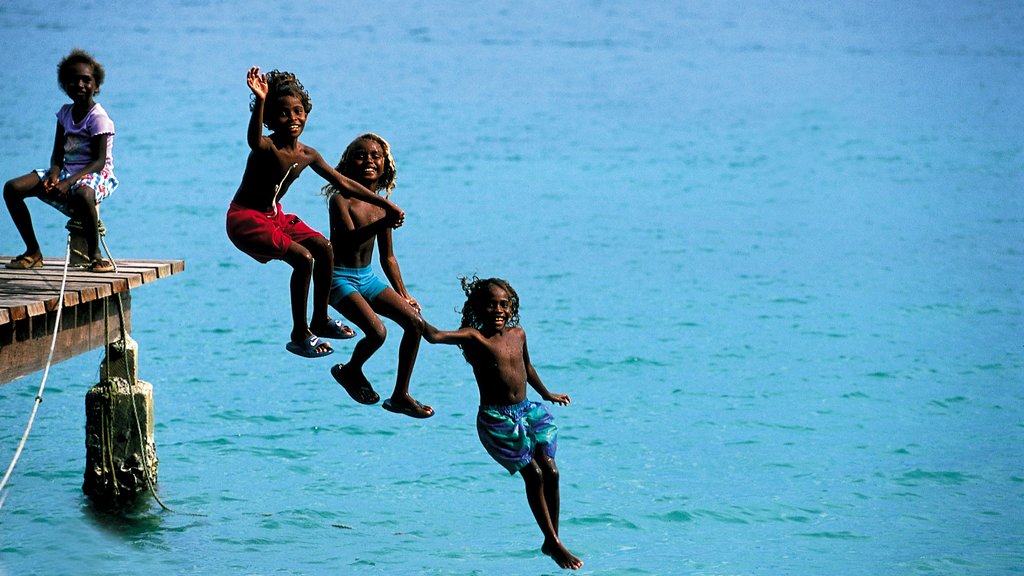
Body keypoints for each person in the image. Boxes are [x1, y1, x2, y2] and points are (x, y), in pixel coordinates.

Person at [226, 67, 404, 359]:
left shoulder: (307, 154)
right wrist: (260, 100)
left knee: (323, 248)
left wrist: (386, 204)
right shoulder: (266, 148)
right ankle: (300, 333)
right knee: (303, 258)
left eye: (299, 111)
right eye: (283, 113)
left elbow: (343, 182)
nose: (293, 119)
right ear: (270, 119)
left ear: (307, 113)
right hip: (245, 219)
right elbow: (253, 140)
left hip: (274, 215)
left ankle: (319, 318)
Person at [422, 277, 583, 570]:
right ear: (479, 308)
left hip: (527, 411)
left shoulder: (518, 334)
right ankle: (553, 542)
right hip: (497, 419)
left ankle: (553, 539)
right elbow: (433, 336)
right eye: (491, 304)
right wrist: (409, 312)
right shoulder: (473, 337)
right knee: (533, 475)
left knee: (552, 471)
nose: (498, 310)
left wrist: (547, 393)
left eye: (504, 305)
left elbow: (527, 366)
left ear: (511, 309)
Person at [324, 134, 432, 418]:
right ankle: (350, 370)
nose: (369, 161)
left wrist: (404, 294)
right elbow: (347, 241)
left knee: (415, 323)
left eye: (375, 156)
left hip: (367, 277)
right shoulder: (340, 200)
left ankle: (400, 395)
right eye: (360, 156)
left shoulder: (383, 205)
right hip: (339, 279)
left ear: (385, 165)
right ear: (347, 165)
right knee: (377, 332)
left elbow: (388, 257)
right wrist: (385, 220)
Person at [4, 49, 118, 272]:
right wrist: (55, 175)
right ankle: (33, 251)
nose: (80, 85)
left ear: (96, 85)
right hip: (67, 171)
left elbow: (99, 162)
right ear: (65, 85)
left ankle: (95, 254)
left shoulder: (98, 118)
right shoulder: (64, 114)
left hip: (94, 173)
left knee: (84, 194)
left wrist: (67, 183)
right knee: (12, 188)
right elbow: (57, 154)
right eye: (73, 80)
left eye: (86, 80)